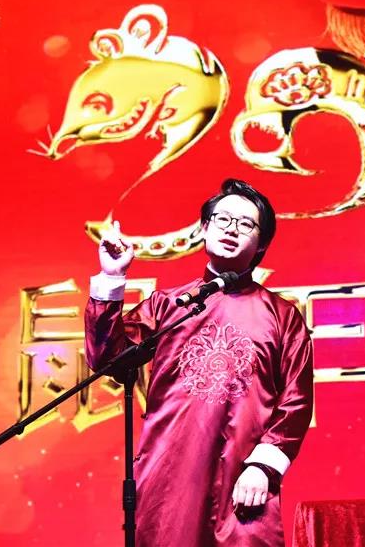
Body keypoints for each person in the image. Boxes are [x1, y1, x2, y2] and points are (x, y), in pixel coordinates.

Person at [85, 178, 314, 546]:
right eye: (222, 219)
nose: (231, 229)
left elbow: (296, 402)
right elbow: (109, 359)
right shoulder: (168, 305)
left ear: (262, 244)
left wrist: (264, 465)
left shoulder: (283, 316)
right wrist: (112, 277)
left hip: (244, 480)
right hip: (170, 479)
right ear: (204, 229)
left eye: (246, 224)